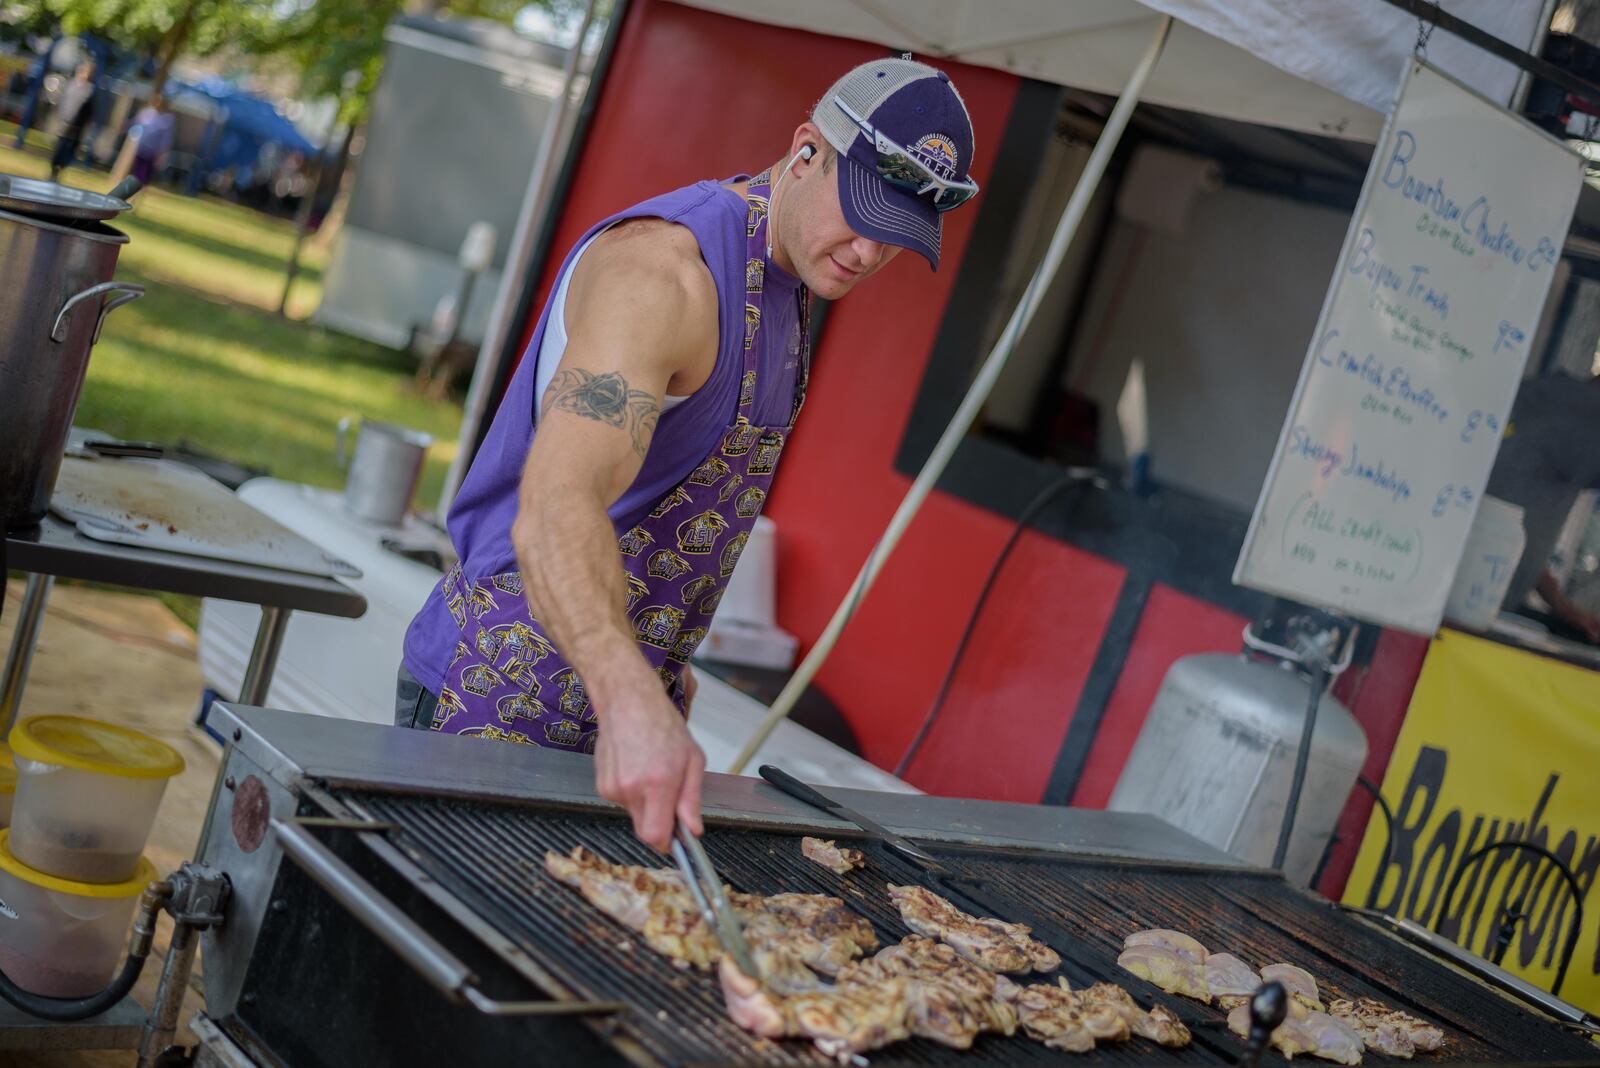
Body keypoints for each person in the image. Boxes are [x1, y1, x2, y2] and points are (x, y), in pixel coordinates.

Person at [398, 58, 980, 849]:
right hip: (497, 697)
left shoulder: (790, 279)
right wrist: (630, 692)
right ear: (807, 150)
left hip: (617, 710)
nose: (873, 252)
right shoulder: (662, 279)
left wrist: (662, 658)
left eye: (898, 233)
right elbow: (555, 507)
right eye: (867, 210)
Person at [1483, 370, 1600, 644]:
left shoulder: (1545, 394)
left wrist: (1561, 605)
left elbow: (1515, 525)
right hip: (1467, 607)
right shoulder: (1586, 416)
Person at [48, 62, 97, 182]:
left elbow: (89, 112)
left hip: (76, 127)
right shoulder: (70, 86)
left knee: (69, 150)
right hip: (65, 122)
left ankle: (60, 170)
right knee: (59, 149)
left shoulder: (89, 91)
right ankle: (54, 170)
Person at [129, 94, 176, 186]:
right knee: (135, 170)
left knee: (145, 173)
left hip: (152, 151)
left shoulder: (167, 119)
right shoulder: (147, 112)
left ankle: (139, 191)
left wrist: (162, 153)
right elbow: (136, 125)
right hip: (140, 147)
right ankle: (132, 187)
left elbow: (166, 138)